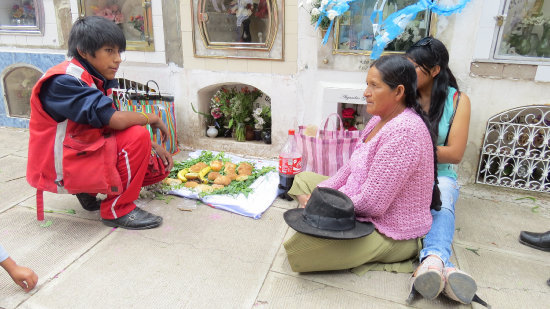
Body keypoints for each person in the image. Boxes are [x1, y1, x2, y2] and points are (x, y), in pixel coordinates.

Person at [283, 54, 439, 273]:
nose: (366, 92)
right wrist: (321, 193)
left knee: (298, 251)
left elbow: (372, 205)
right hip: (356, 196)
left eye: (374, 86)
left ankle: (392, 253)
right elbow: (349, 168)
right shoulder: (378, 118)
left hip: (389, 229)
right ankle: (318, 211)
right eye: (367, 84)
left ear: (399, 92)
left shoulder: (404, 133)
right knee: (302, 179)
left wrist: (324, 206)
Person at [27, 16, 173, 230]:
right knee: (137, 136)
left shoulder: (92, 76)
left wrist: (152, 146)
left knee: (156, 167)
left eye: (118, 52)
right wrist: (152, 118)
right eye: (109, 51)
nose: (118, 59)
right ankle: (117, 209)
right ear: (84, 51)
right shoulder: (64, 81)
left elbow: (105, 122)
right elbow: (113, 120)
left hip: (77, 152)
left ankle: (85, 190)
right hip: (57, 167)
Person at [405, 37, 482, 305]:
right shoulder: (403, 94)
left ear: (435, 70)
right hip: (403, 171)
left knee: (443, 198)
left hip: (440, 175)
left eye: (414, 66)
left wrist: (414, 149)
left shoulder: (458, 101)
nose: (407, 71)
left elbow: (455, 153)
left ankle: (433, 259)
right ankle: (443, 270)